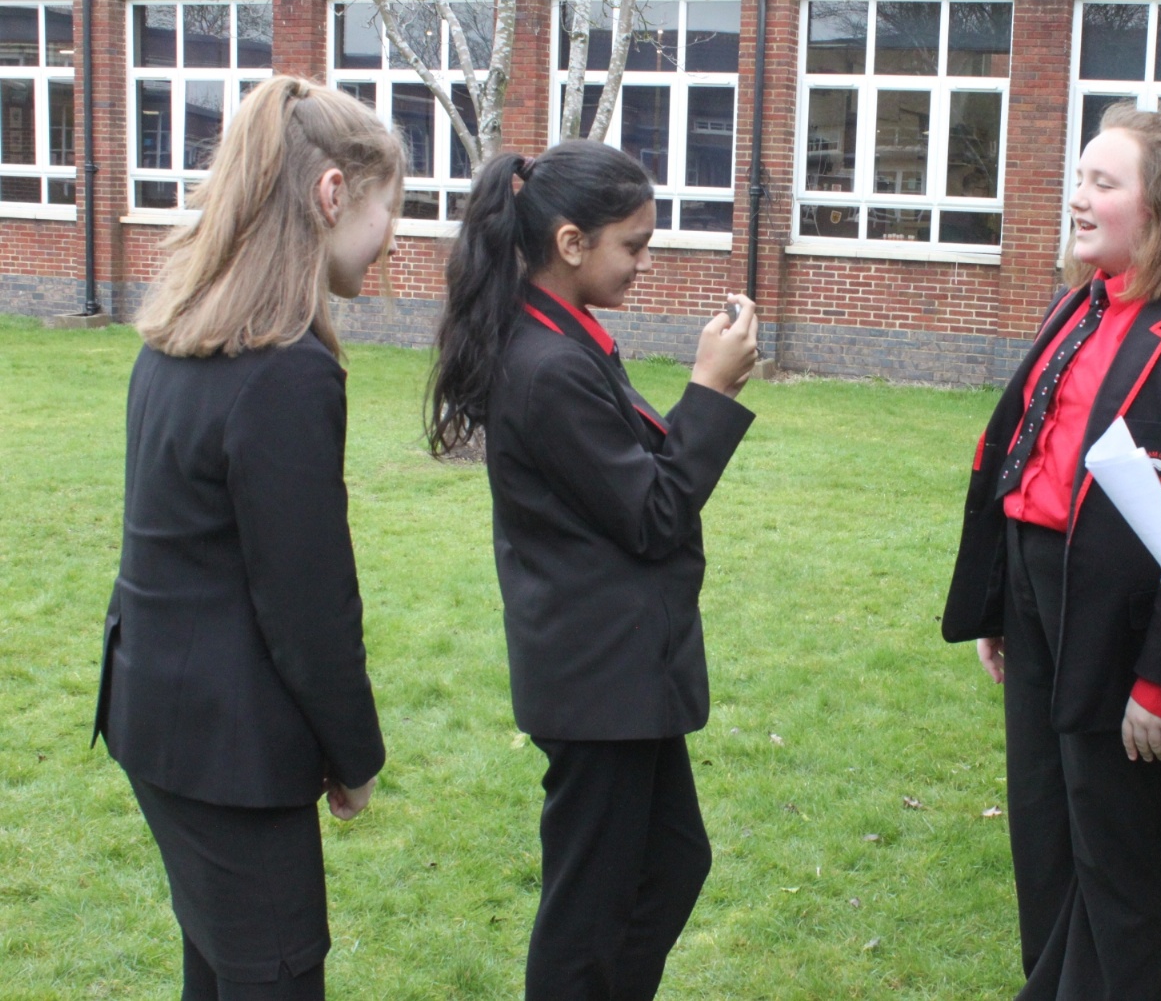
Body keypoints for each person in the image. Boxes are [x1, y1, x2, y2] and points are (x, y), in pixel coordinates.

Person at [942, 102, 1161, 1000]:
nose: (1077, 198)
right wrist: (999, 603)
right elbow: (1025, 461)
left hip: (1125, 623)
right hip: (1038, 591)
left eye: (1103, 182)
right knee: (1044, 828)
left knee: (1114, 849)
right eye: (1079, 178)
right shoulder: (1081, 302)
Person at [424, 140, 758, 1001]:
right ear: (570, 243)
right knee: (591, 907)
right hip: (597, 683)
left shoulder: (560, 340)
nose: (645, 263)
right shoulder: (546, 367)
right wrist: (710, 392)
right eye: (633, 246)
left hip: (615, 673)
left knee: (669, 863)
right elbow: (652, 515)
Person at [92, 75, 399, 1000]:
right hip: (226, 749)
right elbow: (308, 605)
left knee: (224, 969)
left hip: (160, 721)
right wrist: (355, 756)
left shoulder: (179, 336)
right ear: (332, 194)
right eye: (391, 207)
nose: (394, 237)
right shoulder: (284, 370)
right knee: (272, 974)